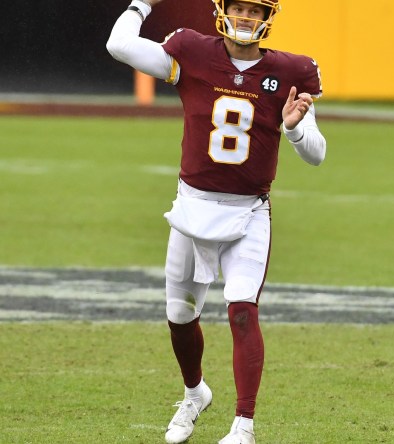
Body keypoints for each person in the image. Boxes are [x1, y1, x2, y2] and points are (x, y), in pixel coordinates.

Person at [106, 1, 326, 443]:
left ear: (268, 18)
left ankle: (243, 425)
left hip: (248, 211)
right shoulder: (191, 51)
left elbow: (316, 153)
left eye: (255, 11)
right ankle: (194, 393)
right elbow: (119, 45)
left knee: (242, 311)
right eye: (240, 8)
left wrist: (294, 129)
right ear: (223, 11)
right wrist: (141, 4)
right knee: (180, 316)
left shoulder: (292, 71)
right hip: (193, 205)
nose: (246, 18)